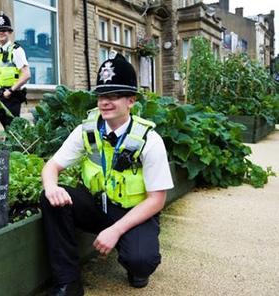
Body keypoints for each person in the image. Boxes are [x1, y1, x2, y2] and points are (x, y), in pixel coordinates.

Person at [40, 52, 174, 296]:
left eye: (114, 96)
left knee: (140, 260)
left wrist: (116, 230)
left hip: (132, 211)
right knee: (50, 199)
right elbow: (52, 166)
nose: (105, 102)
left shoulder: (149, 140)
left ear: (131, 101)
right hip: (96, 206)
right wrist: (51, 187)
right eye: (102, 95)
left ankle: (135, 262)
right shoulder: (86, 130)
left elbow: (157, 199)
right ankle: (67, 283)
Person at [0, 12, 31, 129]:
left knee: (12, 127)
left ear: (9, 32)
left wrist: (10, 90)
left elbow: (26, 74)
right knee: (6, 126)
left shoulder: (16, 50)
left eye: (4, 30)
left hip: (11, 95)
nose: (1, 32)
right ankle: (9, 147)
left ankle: (15, 147)